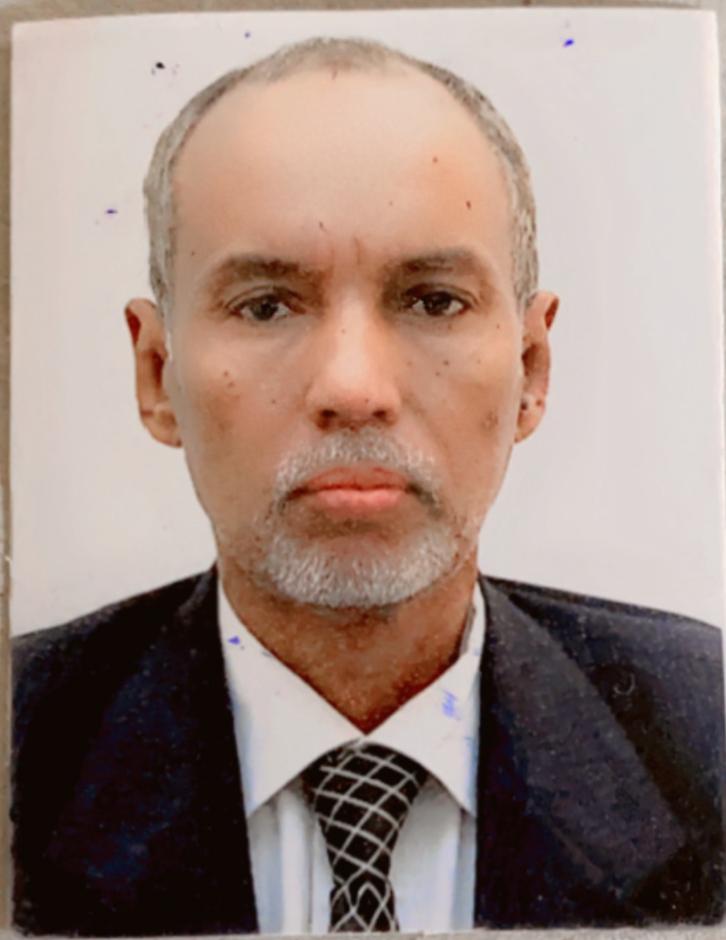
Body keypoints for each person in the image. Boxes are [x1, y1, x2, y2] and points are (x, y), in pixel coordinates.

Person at [11, 36, 725, 936]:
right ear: (157, 374)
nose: (353, 388)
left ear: (531, 369)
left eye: (433, 300)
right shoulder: (22, 743)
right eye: (266, 305)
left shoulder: (705, 736)